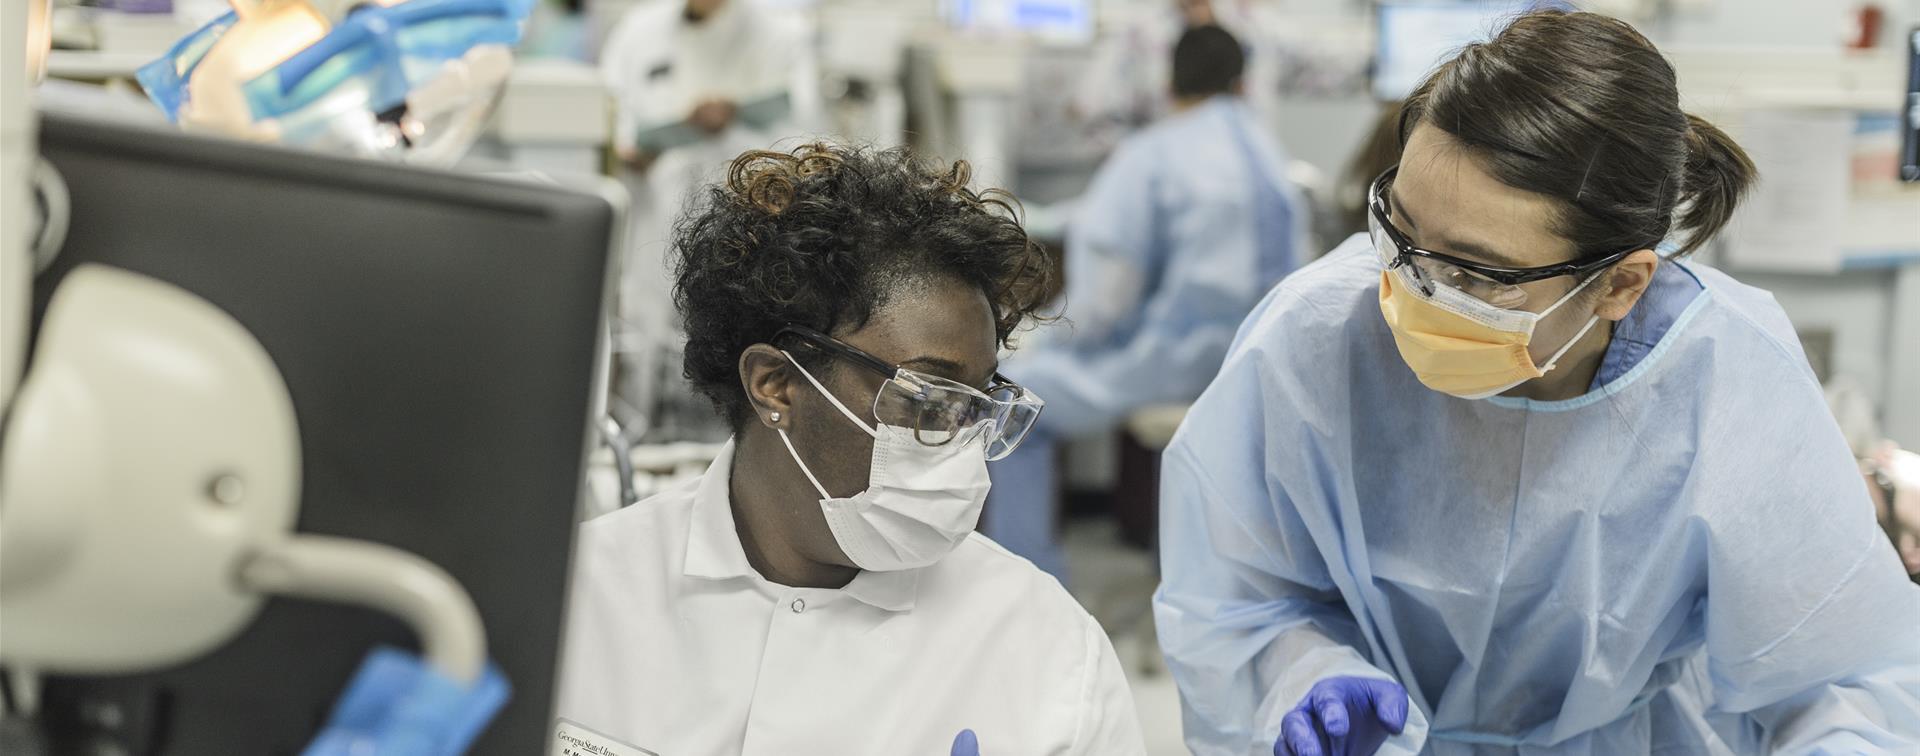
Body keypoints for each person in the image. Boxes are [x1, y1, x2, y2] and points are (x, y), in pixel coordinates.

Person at [1153, 10, 1920, 756]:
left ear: (1621, 284)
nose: (1412, 290)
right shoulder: (1316, 338)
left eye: (1473, 271)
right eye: (1400, 230)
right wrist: (1304, 674)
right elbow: (1234, 598)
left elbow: (1842, 679)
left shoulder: (1728, 382)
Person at [554, 143, 1148, 755]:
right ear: (775, 385)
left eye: (976, 405)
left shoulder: (1047, 650)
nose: (961, 450)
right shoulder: (577, 599)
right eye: (926, 398)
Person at [984, 24, 1308, 579]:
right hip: (1262, 368)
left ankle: (1030, 592)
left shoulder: (1152, 155)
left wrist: (1033, 342)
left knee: (1012, 407)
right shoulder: (1274, 157)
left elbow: (1101, 306)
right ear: (1241, 83)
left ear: (1169, 82)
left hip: (1179, 368)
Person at [598, 0, 816, 440]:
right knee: (650, 335)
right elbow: (611, 125)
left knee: (742, 336)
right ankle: (644, 437)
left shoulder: (781, 34)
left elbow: (804, 138)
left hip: (751, 222)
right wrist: (634, 149)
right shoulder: (639, 33)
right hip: (656, 219)